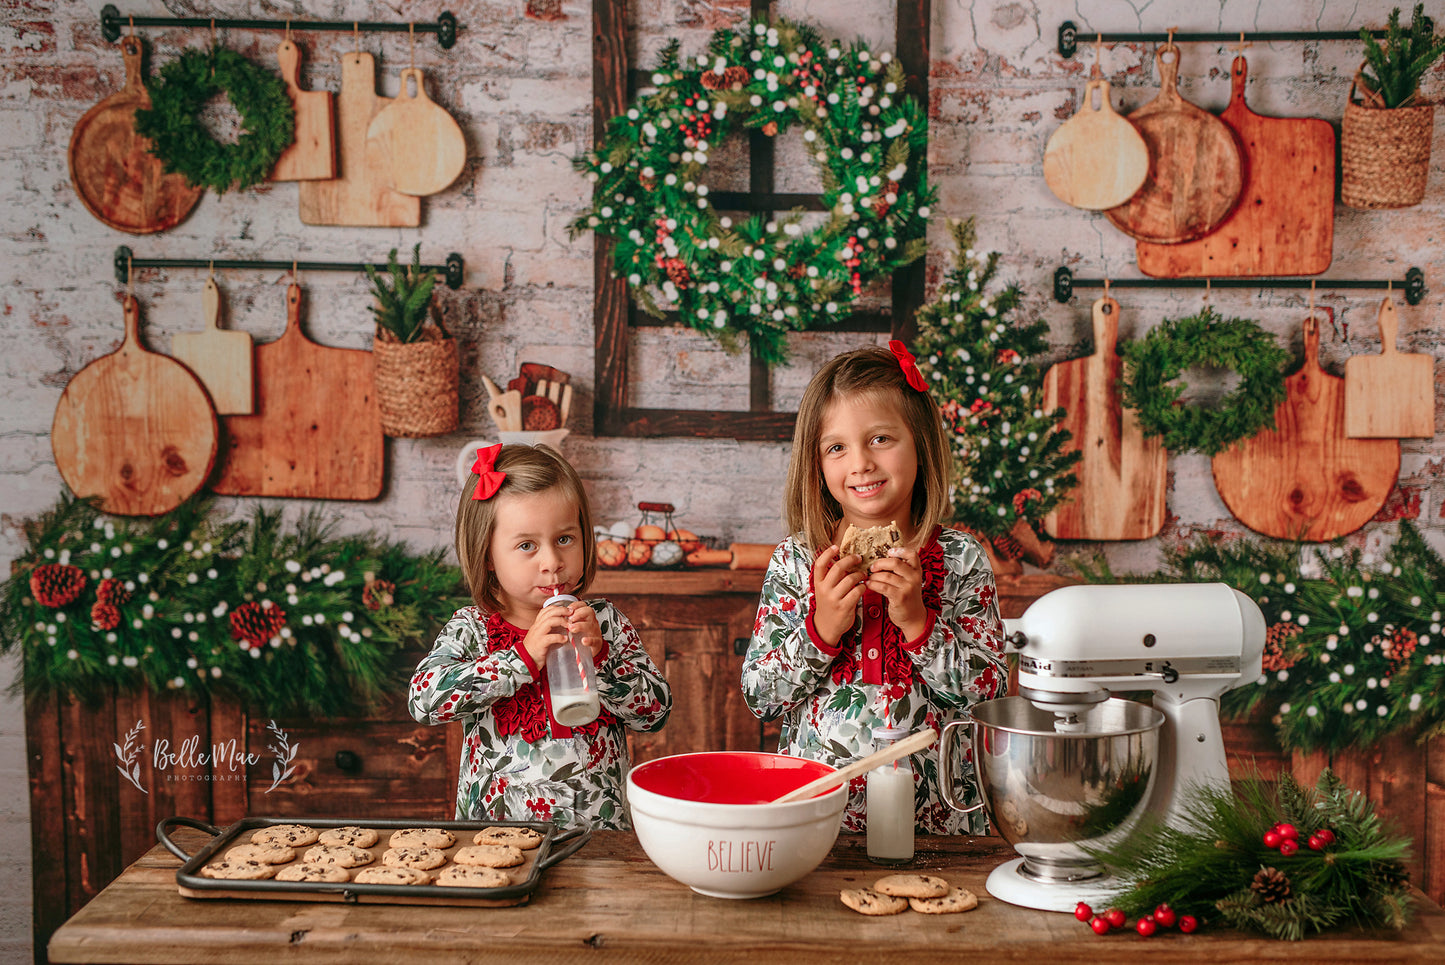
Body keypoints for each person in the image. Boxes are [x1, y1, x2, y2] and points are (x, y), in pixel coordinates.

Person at [741, 341, 1007, 834]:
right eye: (837, 447)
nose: (860, 463)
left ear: (921, 444)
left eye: (881, 439)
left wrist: (918, 623)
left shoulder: (961, 560)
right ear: (817, 466)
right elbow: (761, 697)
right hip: (819, 824)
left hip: (942, 826)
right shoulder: (796, 563)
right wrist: (821, 629)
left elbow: (990, 697)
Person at [410, 443, 671, 830]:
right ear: (487, 557)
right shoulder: (474, 628)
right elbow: (424, 701)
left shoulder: (605, 623)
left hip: (599, 838)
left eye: (564, 538)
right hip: (495, 839)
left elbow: (655, 713)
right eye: (527, 546)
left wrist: (599, 659)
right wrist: (522, 657)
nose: (552, 562)